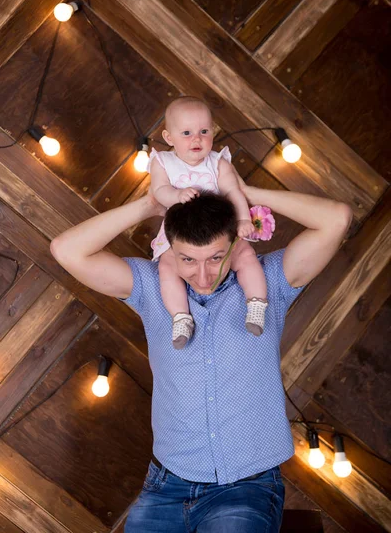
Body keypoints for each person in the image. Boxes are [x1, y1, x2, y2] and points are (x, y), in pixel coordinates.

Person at [50, 177, 352, 533]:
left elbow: (338, 218)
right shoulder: (150, 286)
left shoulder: (269, 280)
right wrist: (149, 203)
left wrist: (244, 194)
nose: (203, 275)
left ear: (236, 245)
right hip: (166, 485)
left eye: (216, 258)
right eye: (188, 260)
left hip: (247, 487)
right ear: (169, 251)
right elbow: (65, 249)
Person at [149, 97, 268, 348]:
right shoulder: (163, 162)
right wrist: (176, 196)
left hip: (220, 230)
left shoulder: (218, 162)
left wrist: (244, 219)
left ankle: (256, 303)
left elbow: (234, 191)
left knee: (245, 256)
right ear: (169, 138)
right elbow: (159, 191)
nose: (197, 139)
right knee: (168, 267)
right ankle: (181, 317)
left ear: (213, 132)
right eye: (187, 133)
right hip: (181, 232)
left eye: (204, 131)